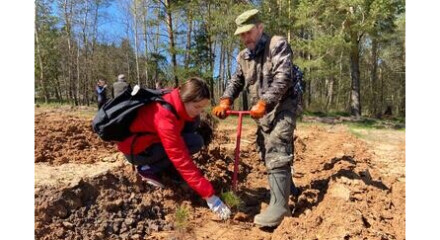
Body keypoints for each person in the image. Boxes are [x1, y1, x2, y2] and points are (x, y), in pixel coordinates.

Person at [212, 9, 299, 227]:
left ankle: (280, 207)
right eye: (241, 35)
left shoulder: (276, 44)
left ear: (260, 28)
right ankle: (287, 188)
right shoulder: (244, 56)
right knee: (263, 147)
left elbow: (284, 77)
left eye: (248, 32)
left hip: (283, 105)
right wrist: (225, 100)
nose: (245, 38)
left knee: (277, 145)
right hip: (262, 111)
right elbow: (236, 81)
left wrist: (265, 101)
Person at [117, 77, 231, 220]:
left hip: (150, 139)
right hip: (137, 150)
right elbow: (181, 159)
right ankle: (147, 169)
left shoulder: (175, 97)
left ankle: (163, 167)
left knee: (194, 126)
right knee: (193, 142)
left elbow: (189, 121)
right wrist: (210, 196)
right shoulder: (165, 117)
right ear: (185, 99)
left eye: (202, 108)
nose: (200, 111)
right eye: (197, 107)